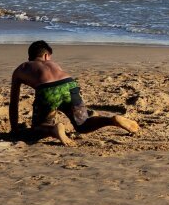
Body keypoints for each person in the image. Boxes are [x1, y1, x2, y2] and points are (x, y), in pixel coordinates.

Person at [8, 41, 140, 145]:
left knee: (38, 129)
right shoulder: (54, 65)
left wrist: (14, 129)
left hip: (48, 90)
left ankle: (53, 129)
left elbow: (13, 103)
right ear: (46, 56)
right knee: (83, 124)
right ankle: (112, 120)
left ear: (30, 57)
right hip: (69, 85)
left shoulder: (22, 68)